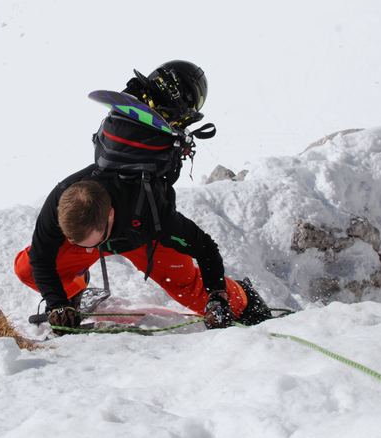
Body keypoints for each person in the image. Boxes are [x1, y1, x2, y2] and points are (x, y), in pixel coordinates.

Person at [14, 60, 271, 332]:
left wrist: (218, 297)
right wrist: (57, 304)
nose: (90, 251)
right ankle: (74, 293)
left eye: (91, 244)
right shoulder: (62, 200)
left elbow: (205, 248)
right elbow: (41, 258)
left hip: (141, 236)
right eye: (80, 243)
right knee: (26, 268)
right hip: (96, 227)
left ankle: (244, 299)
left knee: (194, 292)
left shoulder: (152, 214)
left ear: (110, 215)